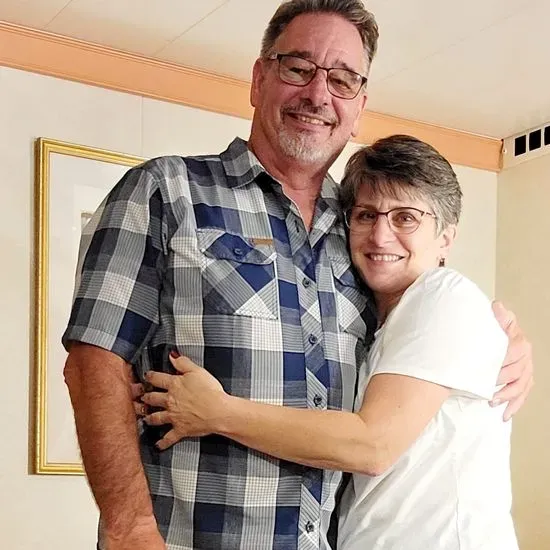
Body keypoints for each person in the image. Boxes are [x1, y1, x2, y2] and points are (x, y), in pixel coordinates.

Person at [62, 1, 531, 549]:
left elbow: (422, 321)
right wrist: (130, 529)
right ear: (259, 79)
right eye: (299, 68)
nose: (318, 94)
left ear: (358, 106)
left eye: (342, 79)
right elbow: (94, 363)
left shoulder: (356, 233)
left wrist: (502, 336)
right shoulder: (167, 192)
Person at [142, 135, 520, 549]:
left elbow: (372, 446)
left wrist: (218, 411)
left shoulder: (444, 296)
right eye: (366, 215)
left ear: (446, 237)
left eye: (405, 218)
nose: (380, 236)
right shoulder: (379, 321)